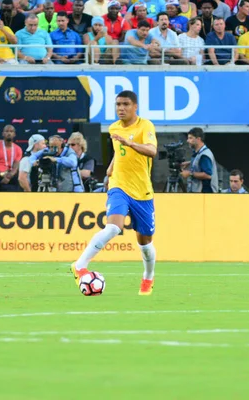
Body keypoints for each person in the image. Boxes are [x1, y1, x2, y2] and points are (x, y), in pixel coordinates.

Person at [71, 90, 158, 296]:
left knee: (145, 244)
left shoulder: (145, 126)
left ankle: (148, 277)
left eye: (126, 104)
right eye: (118, 104)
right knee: (113, 227)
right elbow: (120, 153)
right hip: (119, 186)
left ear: (135, 106)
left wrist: (131, 143)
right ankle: (79, 265)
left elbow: (152, 151)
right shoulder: (114, 128)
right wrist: (110, 172)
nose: (121, 108)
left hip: (142, 192)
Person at [0, 124, 23, 191]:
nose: (9, 133)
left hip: (10, 177)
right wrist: (2, 174)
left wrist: (9, 176)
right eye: (7, 131)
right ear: (3, 134)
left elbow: (15, 167)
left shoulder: (18, 149)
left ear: (14, 134)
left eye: (11, 131)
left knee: (19, 186)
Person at [180, 127, 218, 193]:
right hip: (200, 193)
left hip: (204, 195)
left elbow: (208, 175)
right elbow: (200, 161)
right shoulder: (200, 153)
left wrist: (189, 173)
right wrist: (190, 162)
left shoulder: (204, 155)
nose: (187, 141)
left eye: (190, 138)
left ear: (198, 139)